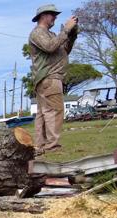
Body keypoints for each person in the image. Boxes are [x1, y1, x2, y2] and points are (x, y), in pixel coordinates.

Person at [28, 4, 78, 154]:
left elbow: (63, 51)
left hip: (48, 78)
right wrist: (65, 30)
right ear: (43, 16)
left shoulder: (51, 34)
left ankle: (40, 146)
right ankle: (52, 147)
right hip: (49, 77)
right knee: (54, 111)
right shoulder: (37, 33)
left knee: (44, 114)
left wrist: (71, 35)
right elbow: (50, 47)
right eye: (53, 15)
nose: (55, 17)